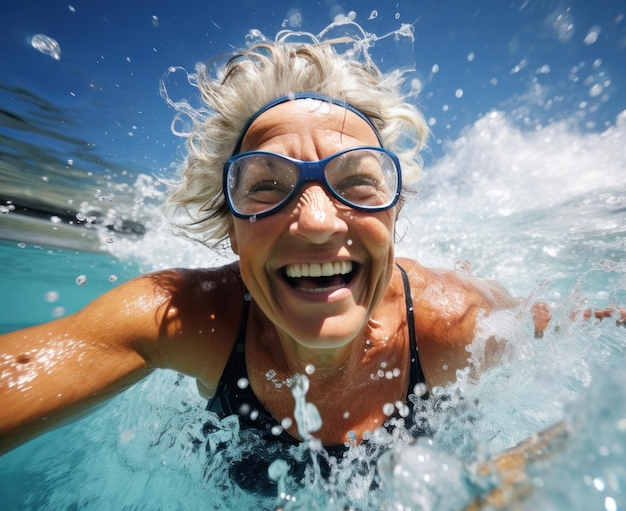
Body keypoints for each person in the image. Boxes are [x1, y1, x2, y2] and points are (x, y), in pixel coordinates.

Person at [0, 39, 620, 459]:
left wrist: (506, 482)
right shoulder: (188, 319)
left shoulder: (455, 324)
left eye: (356, 182)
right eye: (267, 187)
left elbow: (577, 329)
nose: (319, 222)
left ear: (394, 213)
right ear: (231, 226)